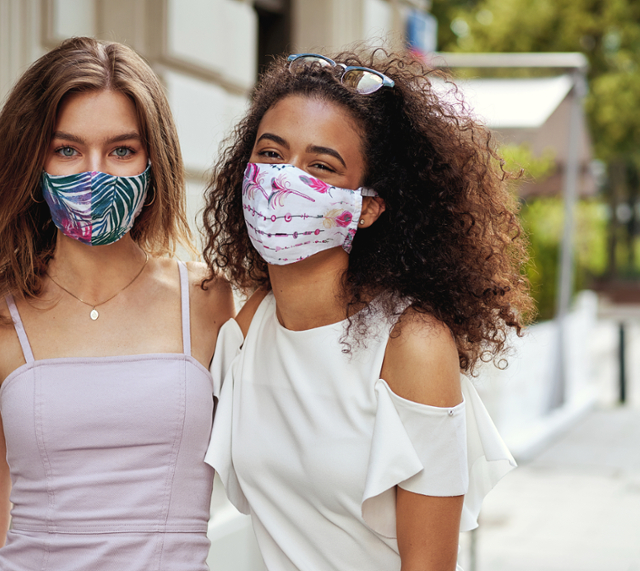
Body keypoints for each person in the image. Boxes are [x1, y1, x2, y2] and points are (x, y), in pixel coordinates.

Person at [201, 49, 533, 571]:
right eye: (270, 154)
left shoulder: (411, 344)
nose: (284, 180)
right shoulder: (249, 325)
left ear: (369, 206)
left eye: (321, 166)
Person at [0, 37, 233, 571]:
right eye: (67, 149)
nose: (94, 173)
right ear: (35, 162)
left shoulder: (211, 300)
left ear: (154, 164)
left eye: (122, 150)